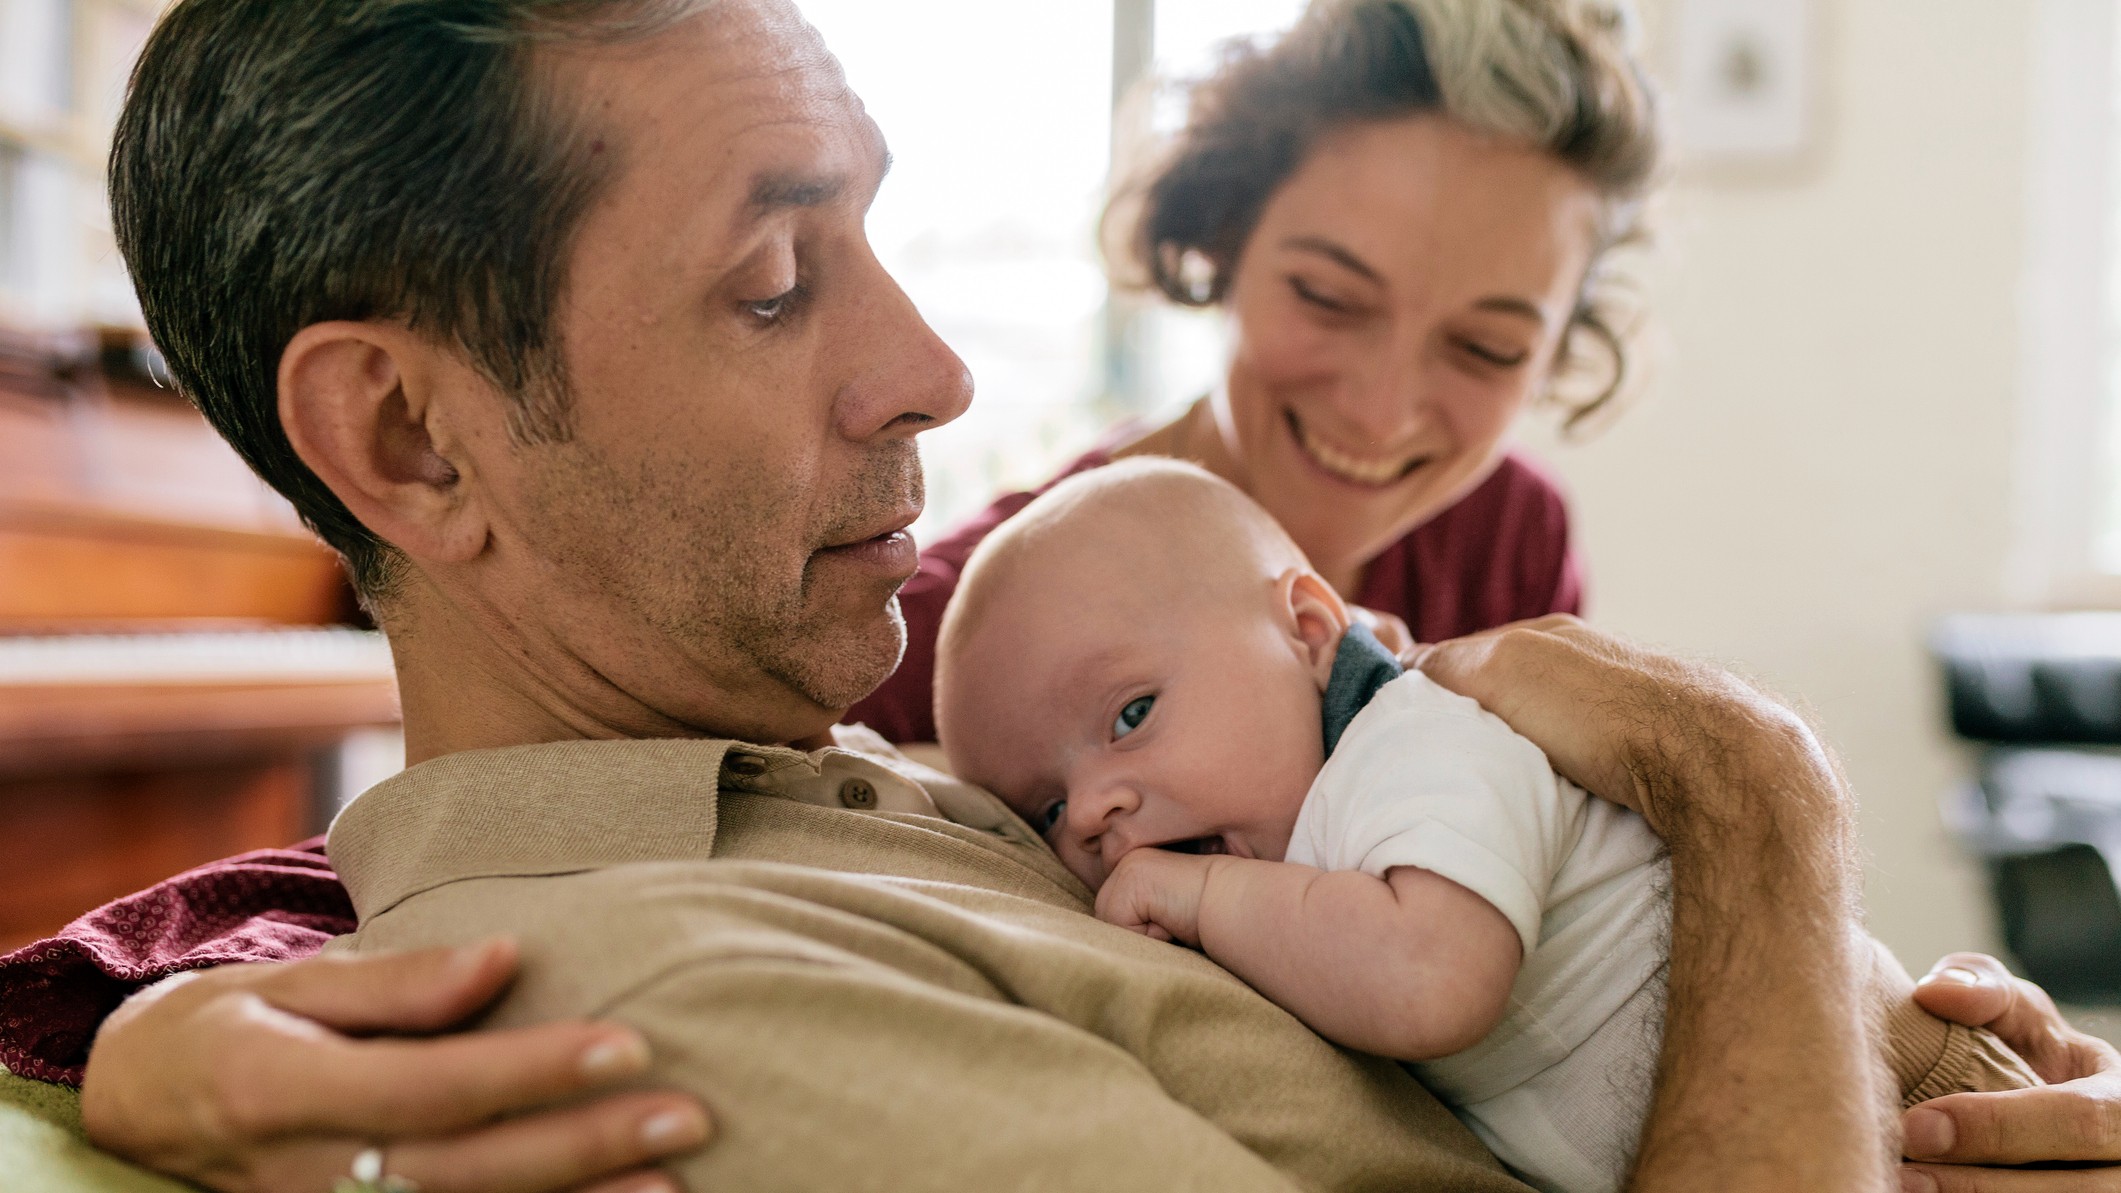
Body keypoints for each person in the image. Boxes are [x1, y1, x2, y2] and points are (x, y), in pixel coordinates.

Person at [0, 0, 2116, 1190]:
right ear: (409, 441)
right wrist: (1754, 788)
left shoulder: (854, 757)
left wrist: (1874, 1039)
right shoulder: (668, 986)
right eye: (769, 278)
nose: (937, 369)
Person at [931, 458, 2040, 1193]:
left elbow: (1432, 979)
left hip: (1889, 1075)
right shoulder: (1292, 848)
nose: (1092, 812)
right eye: (1045, 805)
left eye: (1131, 713)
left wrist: (1203, 895)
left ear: (1310, 630)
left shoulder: (1417, 739)